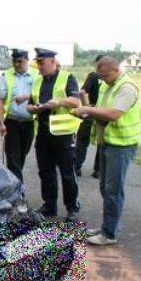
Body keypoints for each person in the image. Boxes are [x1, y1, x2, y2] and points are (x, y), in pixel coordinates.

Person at [73, 56, 140, 245]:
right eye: (99, 76)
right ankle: (107, 227)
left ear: (115, 70)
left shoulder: (126, 87)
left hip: (121, 145)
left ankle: (109, 233)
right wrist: (88, 110)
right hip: (108, 143)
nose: (101, 79)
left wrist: (87, 110)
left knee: (113, 190)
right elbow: (102, 108)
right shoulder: (107, 85)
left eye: (104, 76)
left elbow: (113, 113)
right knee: (105, 187)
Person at [27, 48, 81, 219]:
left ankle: (72, 208)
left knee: (67, 172)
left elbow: (75, 101)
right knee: (45, 171)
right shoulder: (37, 81)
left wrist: (58, 101)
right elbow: (29, 104)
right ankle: (50, 205)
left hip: (63, 133)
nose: (39, 67)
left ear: (52, 61)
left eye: (41, 63)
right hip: (43, 132)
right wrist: (33, 108)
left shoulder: (67, 78)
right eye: (37, 63)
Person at [0, 49, 35, 182]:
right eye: (14, 61)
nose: (16, 64)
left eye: (20, 61)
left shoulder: (36, 75)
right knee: (13, 159)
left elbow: (42, 95)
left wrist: (27, 96)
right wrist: (1, 123)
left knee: (21, 157)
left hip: (30, 123)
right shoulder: (6, 75)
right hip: (12, 122)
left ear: (27, 60)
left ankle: (13, 183)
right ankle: (18, 192)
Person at [76, 55, 103, 178]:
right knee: (102, 141)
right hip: (104, 112)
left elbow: (81, 92)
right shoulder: (110, 78)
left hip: (91, 112)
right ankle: (98, 170)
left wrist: (86, 106)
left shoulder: (93, 75)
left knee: (82, 140)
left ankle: (77, 167)